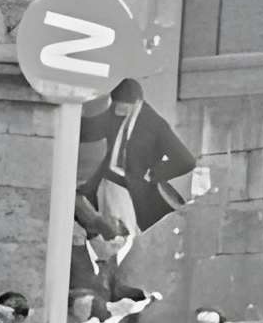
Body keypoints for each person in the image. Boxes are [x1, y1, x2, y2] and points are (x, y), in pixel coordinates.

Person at [84, 75, 197, 255]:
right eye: (116, 104)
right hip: (106, 183)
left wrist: (153, 174)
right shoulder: (114, 113)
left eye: (123, 105)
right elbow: (90, 129)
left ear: (137, 103)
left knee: (122, 241)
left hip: (131, 189)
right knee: (100, 232)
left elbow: (186, 160)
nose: (118, 109)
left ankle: (114, 268)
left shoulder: (155, 124)